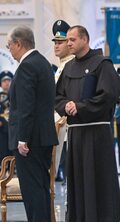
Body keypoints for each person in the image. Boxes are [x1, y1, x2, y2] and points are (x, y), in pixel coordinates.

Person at [55, 25, 120, 222]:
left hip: (97, 130)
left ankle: (102, 220)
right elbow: (57, 96)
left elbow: (108, 95)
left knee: (98, 175)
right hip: (76, 131)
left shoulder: (103, 64)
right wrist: (65, 105)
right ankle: (79, 220)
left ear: (85, 39)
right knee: (77, 176)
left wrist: (80, 106)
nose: (68, 43)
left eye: (72, 39)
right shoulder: (68, 68)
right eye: (68, 40)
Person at [7, 26, 58, 222]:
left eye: (9, 46)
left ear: (19, 43)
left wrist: (22, 138)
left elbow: (26, 106)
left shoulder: (27, 66)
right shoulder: (42, 63)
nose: (9, 51)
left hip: (32, 138)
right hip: (43, 136)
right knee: (40, 186)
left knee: (33, 188)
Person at [52, 20, 74, 183]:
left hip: (67, 125)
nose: (56, 46)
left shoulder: (72, 65)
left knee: (70, 173)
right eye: (55, 42)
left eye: (60, 42)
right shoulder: (61, 66)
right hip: (57, 126)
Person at [0, 70, 13, 172]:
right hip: (0, 126)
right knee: (0, 147)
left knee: (12, 147)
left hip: (12, 126)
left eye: (9, 80)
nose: (7, 83)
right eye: (4, 81)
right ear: (0, 82)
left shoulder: (15, 94)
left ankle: (13, 166)